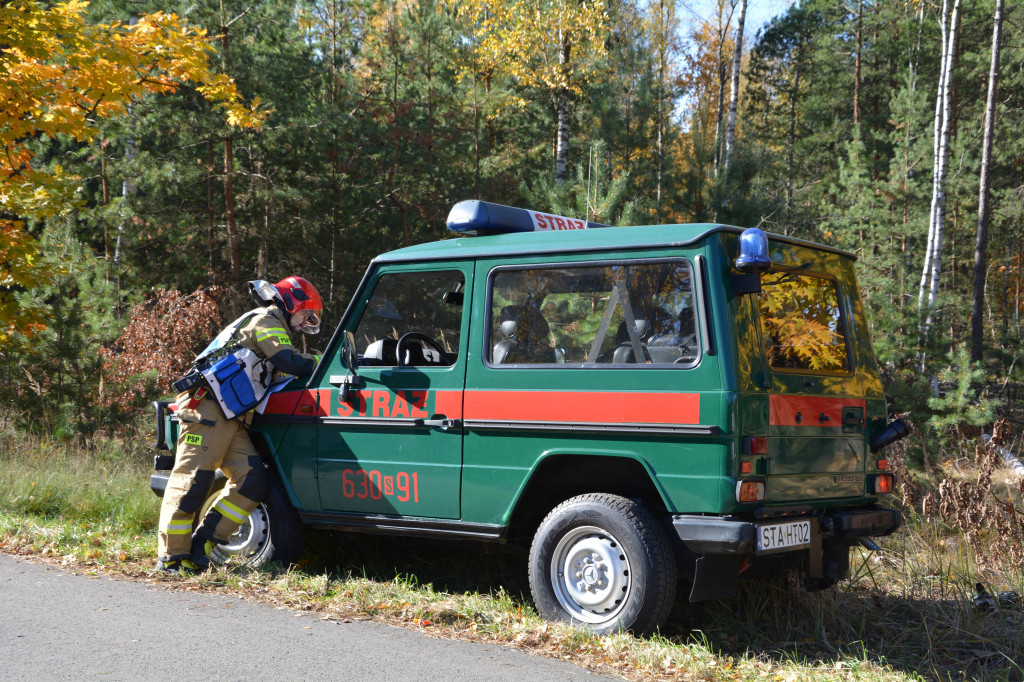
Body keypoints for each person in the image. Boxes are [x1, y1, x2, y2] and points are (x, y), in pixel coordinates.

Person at [156, 276, 323, 574]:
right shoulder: (265, 322)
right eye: (303, 315)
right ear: (291, 302)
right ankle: (171, 558)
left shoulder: (274, 330)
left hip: (230, 416)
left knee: (253, 480)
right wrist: (325, 363)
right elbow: (292, 363)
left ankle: (202, 545)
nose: (302, 324)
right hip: (205, 407)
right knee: (193, 483)